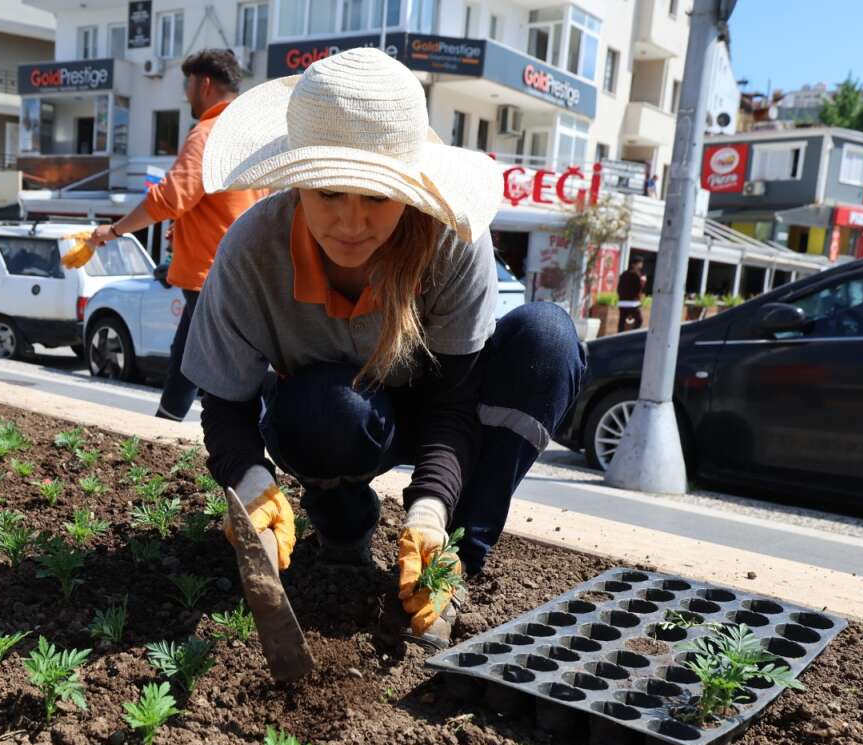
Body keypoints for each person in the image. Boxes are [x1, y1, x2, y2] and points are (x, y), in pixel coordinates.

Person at [181, 49, 585, 648]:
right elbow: (226, 405)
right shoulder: (253, 249)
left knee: (547, 339)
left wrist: (426, 515)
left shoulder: (450, 241)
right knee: (326, 410)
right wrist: (248, 485)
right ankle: (343, 529)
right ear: (295, 181)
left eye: (376, 197)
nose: (351, 223)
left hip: (436, 417)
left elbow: (453, 407)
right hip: (340, 413)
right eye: (329, 194)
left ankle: (450, 565)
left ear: (409, 188)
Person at [86, 49, 265, 421]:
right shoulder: (250, 135)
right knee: (198, 358)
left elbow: (171, 197)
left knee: (215, 363)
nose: (185, 94)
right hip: (243, 268)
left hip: (211, 273)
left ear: (204, 84)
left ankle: (253, 445)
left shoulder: (207, 133)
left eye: (187, 84)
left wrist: (115, 230)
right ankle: (169, 426)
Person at [617, 256, 646, 330]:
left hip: (622, 302)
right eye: (639, 264)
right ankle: (633, 336)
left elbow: (619, 287)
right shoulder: (637, 275)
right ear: (634, 264)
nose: (641, 266)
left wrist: (620, 297)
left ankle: (620, 336)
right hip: (633, 302)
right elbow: (640, 288)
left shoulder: (624, 274)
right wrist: (643, 281)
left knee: (622, 321)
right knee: (639, 320)